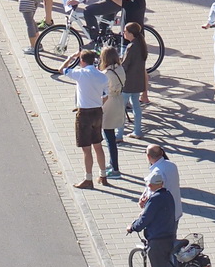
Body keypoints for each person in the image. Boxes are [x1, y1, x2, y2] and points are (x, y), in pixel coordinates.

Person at [128, 175, 177, 267]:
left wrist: (132, 227)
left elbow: (145, 219)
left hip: (157, 241)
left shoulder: (155, 199)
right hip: (169, 238)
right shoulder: (168, 195)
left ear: (150, 185)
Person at [61, 48, 110, 189]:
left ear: (82, 61)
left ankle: (88, 179)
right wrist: (98, 104)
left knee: (86, 149)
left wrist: (71, 57)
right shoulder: (102, 76)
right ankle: (103, 175)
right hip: (97, 112)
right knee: (98, 145)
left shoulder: (80, 73)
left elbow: (61, 69)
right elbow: (106, 96)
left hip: (84, 114)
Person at [99, 45, 126, 177]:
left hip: (108, 103)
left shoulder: (106, 74)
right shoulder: (120, 68)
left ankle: (115, 169)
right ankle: (112, 163)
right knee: (111, 135)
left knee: (109, 138)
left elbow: (101, 90)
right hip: (119, 100)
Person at [121, 20, 149, 137]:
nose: (123, 33)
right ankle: (137, 131)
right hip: (138, 81)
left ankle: (119, 134)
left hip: (128, 82)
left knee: (120, 108)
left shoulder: (131, 47)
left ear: (131, 34)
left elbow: (125, 65)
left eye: (125, 31)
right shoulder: (141, 44)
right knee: (136, 106)